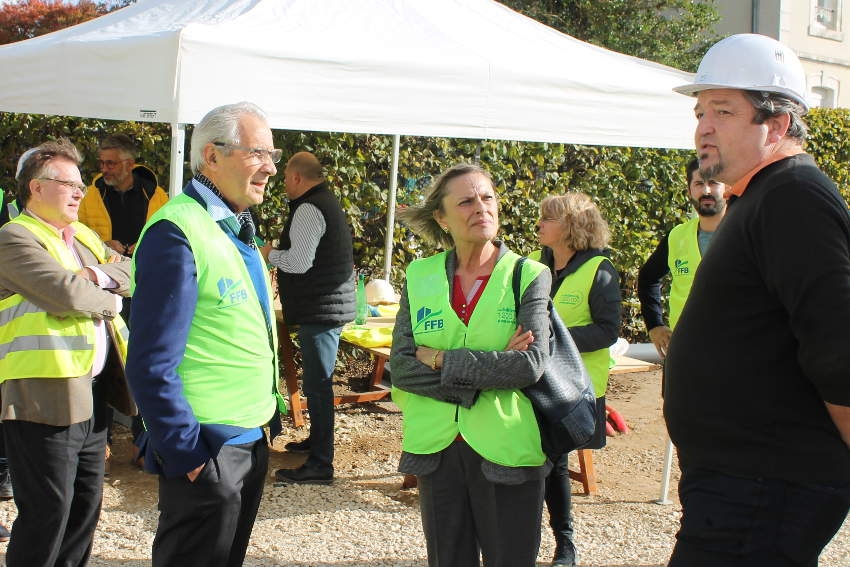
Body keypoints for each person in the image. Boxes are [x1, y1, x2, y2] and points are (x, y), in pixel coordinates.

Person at [665, 33, 850, 566]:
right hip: (745, 487)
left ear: (778, 124)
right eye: (701, 111)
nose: (702, 127)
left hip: (766, 489)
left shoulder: (794, 197)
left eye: (723, 110)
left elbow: (836, 350)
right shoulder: (763, 194)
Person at [125, 102, 284, 566]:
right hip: (209, 446)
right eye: (258, 153)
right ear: (211, 156)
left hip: (246, 437)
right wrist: (187, 454)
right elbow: (150, 362)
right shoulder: (177, 231)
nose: (271, 167)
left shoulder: (234, 226)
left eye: (273, 154)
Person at [391, 163, 552, 567]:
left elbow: (530, 365)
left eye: (487, 197)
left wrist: (442, 359)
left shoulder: (528, 274)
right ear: (442, 218)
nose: (481, 207)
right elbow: (402, 366)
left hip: (506, 446)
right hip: (437, 449)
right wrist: (487, 371)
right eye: (466, 201)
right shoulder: (419, 274)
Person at [0, 138, 134, 565]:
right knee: (47, 512)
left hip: (93, 392)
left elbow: (133, 268)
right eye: (69, 183)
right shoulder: (13, 238)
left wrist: (93, 273)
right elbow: (66, 294)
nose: (80, 192)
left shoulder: (84, 237)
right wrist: (110, 297)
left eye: (81, 184)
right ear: (35, 188)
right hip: (42, 393)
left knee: (83, 509)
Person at [531, 193, 621, 567]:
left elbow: (608, 331)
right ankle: (538, 540)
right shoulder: (538, 265)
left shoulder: (600, 269)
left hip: (574, 387)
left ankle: (564, 542)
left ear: (569, 226)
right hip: (535, 379)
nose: (538, 225)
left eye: (546, 219)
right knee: (539, 461)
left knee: (552, 463)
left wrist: (555, 338)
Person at [261, 151, 355, 485]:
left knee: (318, 386)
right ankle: (317, 444)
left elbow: (299, 262)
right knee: (318, 383)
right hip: (325, 306)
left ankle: (320, 464)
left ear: (298, 178)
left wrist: (270, 254)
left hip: (322, 307)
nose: (282, 182)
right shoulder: (323, 202)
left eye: (285, 176)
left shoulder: (308, 208)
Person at [637, 158, 726, 358]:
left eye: (713, 183)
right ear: (689, 191)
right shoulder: (677, 236)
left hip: (735, 348)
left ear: (727, 186)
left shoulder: (745, 232)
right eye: (698, 184)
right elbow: (647, 277)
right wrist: (654, 325)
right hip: (685, 349)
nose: (706, 191)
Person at [79, 133, 168, 256]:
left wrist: (147, 245)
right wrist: (103, 245)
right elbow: (77, 237)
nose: (104, 169)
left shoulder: (157, 196)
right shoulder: (88, 196)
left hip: (145, 269)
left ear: (129, 164)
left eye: (110, 163)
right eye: (102, 163)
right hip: (106, 270)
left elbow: (167, 237)